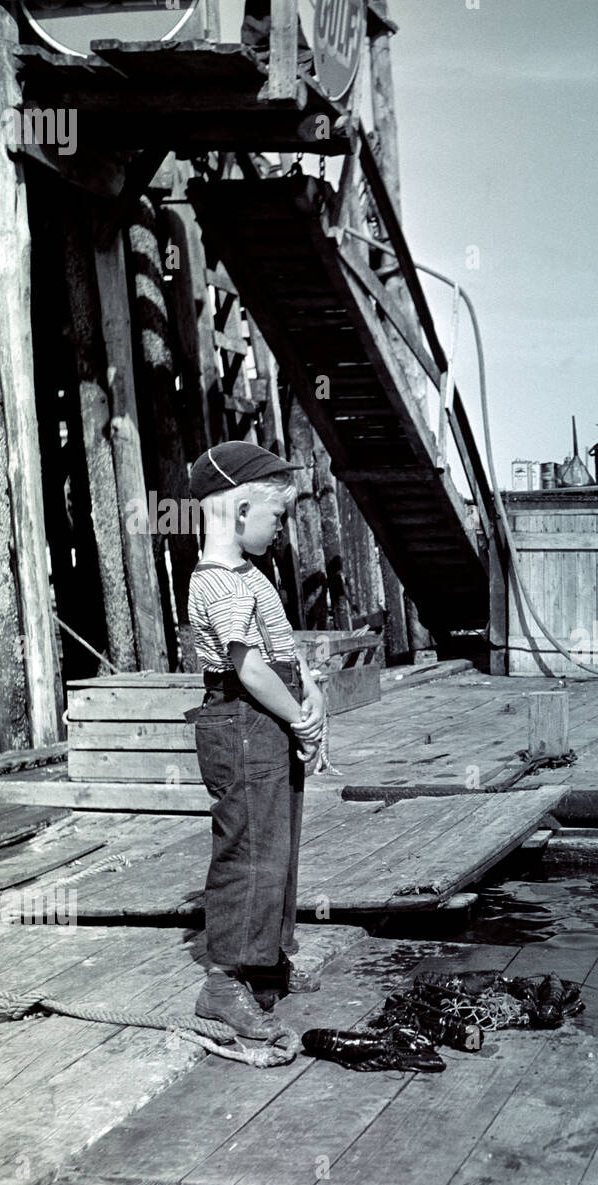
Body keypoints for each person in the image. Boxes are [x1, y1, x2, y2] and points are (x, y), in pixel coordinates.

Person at [186, 442, 327, 1042]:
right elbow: (248, 669)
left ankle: (266, 962)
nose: (282, 530)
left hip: (266, 716)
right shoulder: (219, 583)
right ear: (241, 510)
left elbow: (279, 645)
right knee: (248, 849)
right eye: (278, 517)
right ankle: (223, 982)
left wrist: (311, 685)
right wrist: (299, 717)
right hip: (243, 720)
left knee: (278, 844)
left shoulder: (249, 574)